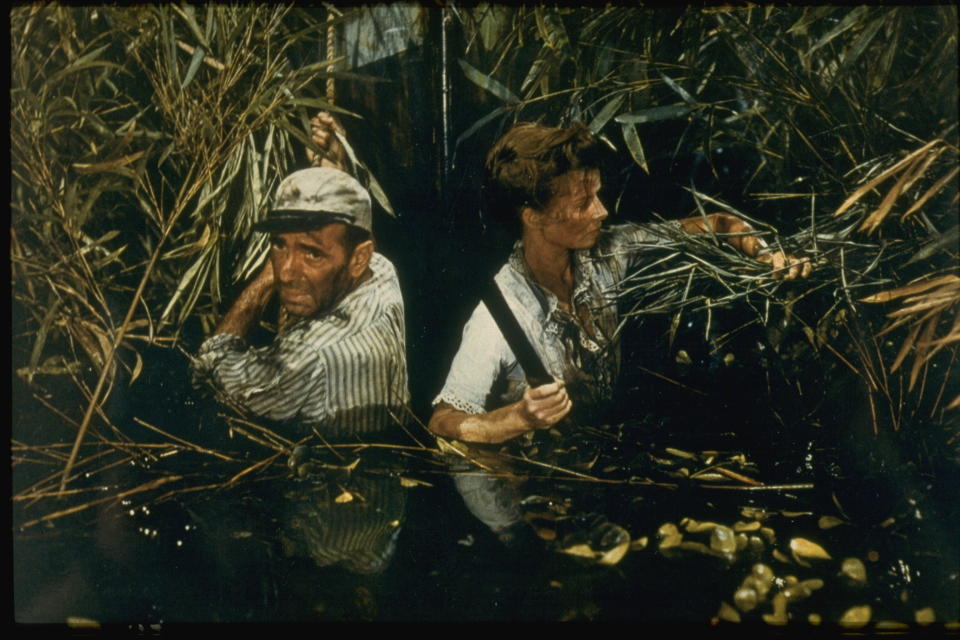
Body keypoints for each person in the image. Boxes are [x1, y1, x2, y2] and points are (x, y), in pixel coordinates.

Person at [429, 122, 810, 446]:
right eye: (583, 203)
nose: (601, 211)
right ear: (534, 216)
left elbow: (721, 225)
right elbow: (442, 421)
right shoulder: (500, 314)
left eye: (597, 195)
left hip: (605, 457)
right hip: (536, 483)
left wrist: (764, 254)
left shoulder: (608, 251)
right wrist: (516, 419)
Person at [192, 114, 409, 439]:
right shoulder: (380, 275)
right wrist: (335, 169)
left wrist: (265, 280)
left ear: (358, 258)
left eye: (311, 253)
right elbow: (348, 237)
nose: (287, 271)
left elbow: (208, 371)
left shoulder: (307, 361)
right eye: (279, 245)